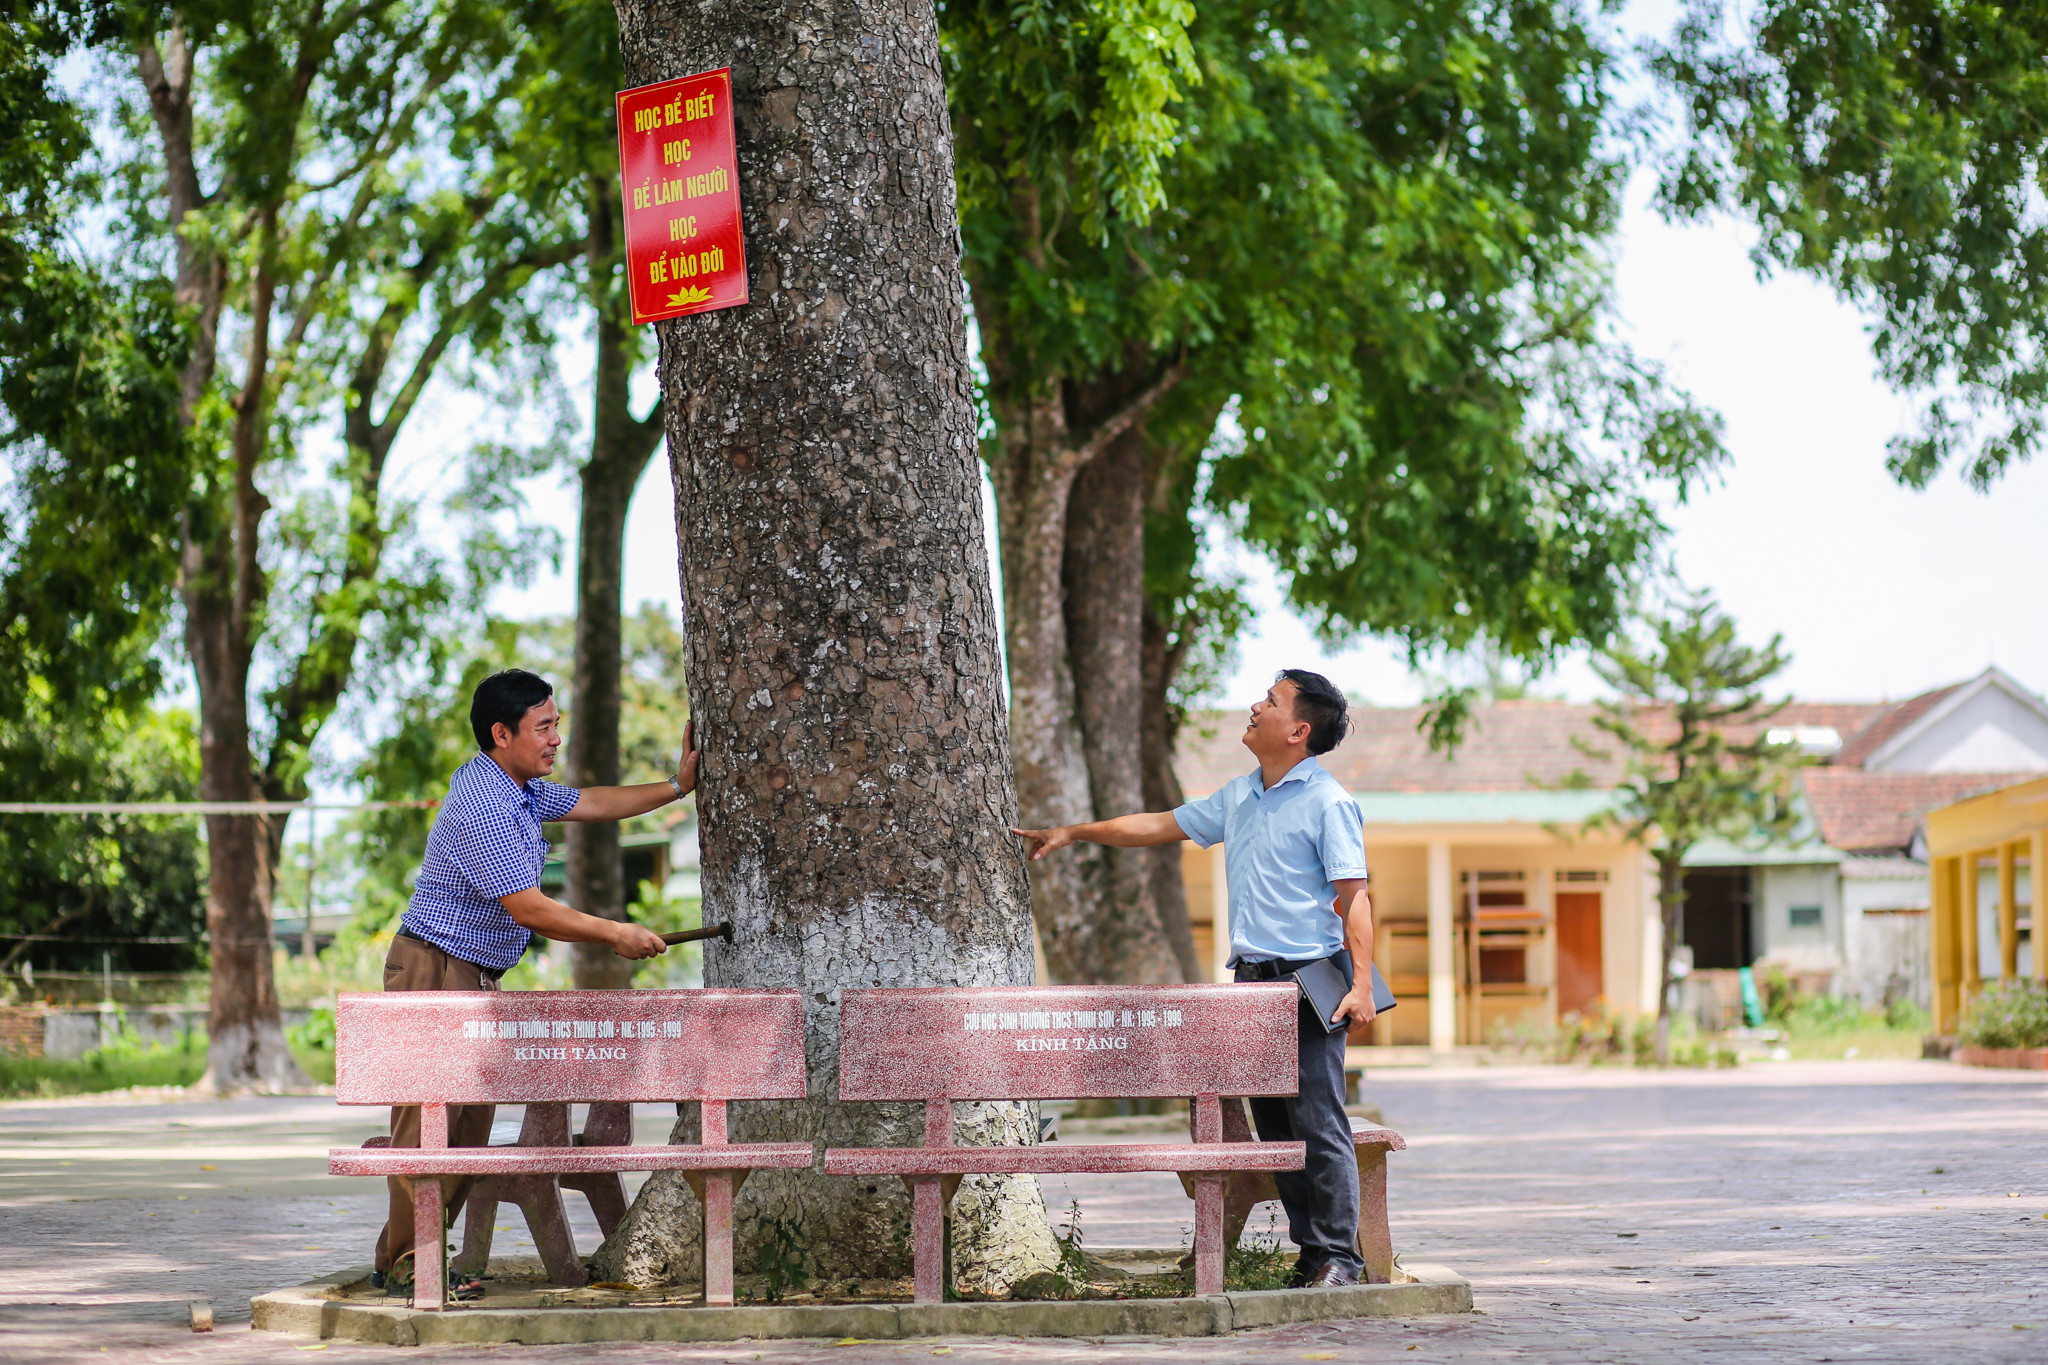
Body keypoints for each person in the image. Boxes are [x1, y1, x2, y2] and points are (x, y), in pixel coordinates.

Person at [1012, 668, 1374, 1287]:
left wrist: (1362, 985)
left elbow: (1355, 897)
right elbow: (1158, 824)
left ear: (1299, 730)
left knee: (1319, 1122)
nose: (1256, 706)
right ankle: (1311, 1255)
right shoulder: (1241, 795)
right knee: (1275, 1128)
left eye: (1272, 700)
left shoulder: (1328, 801)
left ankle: (1343, 1257)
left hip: (1311, 982)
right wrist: (1073, 833)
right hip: (1251, 985)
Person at [370, 667, 698, 1297]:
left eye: (557, 725)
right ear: (502, 733)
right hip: (434, 967)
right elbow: (530, 909)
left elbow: (594, 802)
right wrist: (615, 932)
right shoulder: (483, 801)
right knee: (427, 1125)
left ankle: (404, 1261)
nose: (554, 739)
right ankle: (412, 1265)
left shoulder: (519, 789)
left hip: (471, 972)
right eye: (543, 727)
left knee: (467, 1129)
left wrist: (675, 788)